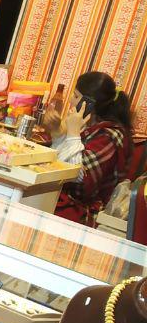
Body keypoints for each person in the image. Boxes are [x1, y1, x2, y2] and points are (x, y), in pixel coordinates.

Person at [46, 71, 132, 225]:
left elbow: (79, 178)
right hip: (63, 196)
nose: (71, 100)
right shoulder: (89, 126)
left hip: (83, 210)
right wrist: (57, 133)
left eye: (76, 96)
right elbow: (59, 164)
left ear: (89, 103)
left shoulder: (110, 135)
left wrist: (73, 134)